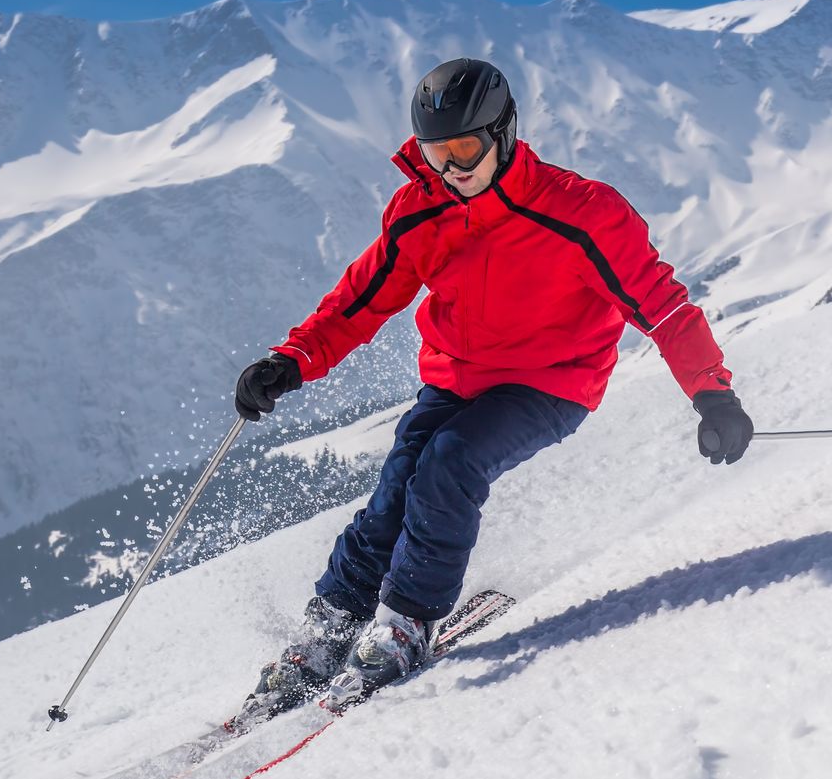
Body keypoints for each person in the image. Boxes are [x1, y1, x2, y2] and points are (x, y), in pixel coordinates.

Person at [232, 57, 753, 706]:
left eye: (464, 148)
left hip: (550, 383)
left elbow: (661, 303)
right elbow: (361, 298)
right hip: (456, 378)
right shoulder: (420, 211)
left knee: (450, 463)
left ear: (502, 133)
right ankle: (331, 625)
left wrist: (712, 392)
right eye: (435, 152)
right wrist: (293, 359)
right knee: (396, 488)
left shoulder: (581, 212)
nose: (451, 168)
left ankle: (405, 624)